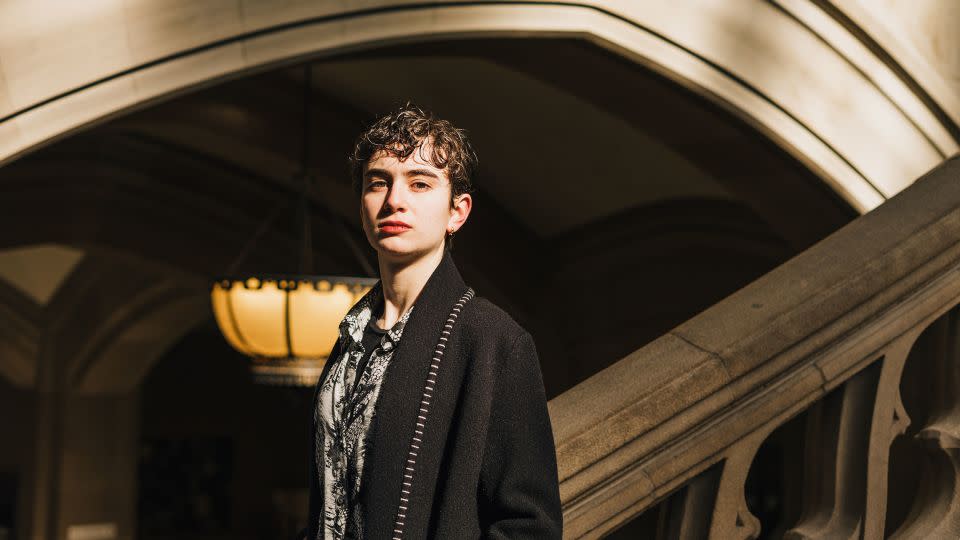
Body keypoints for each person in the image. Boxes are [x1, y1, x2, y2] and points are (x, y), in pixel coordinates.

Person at [302, 104, 562, 539]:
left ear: (457, 212)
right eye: (377, 183)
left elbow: (530, 526)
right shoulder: (352, 338)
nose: (394, 200)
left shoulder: (492, 340)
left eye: (419, 183)